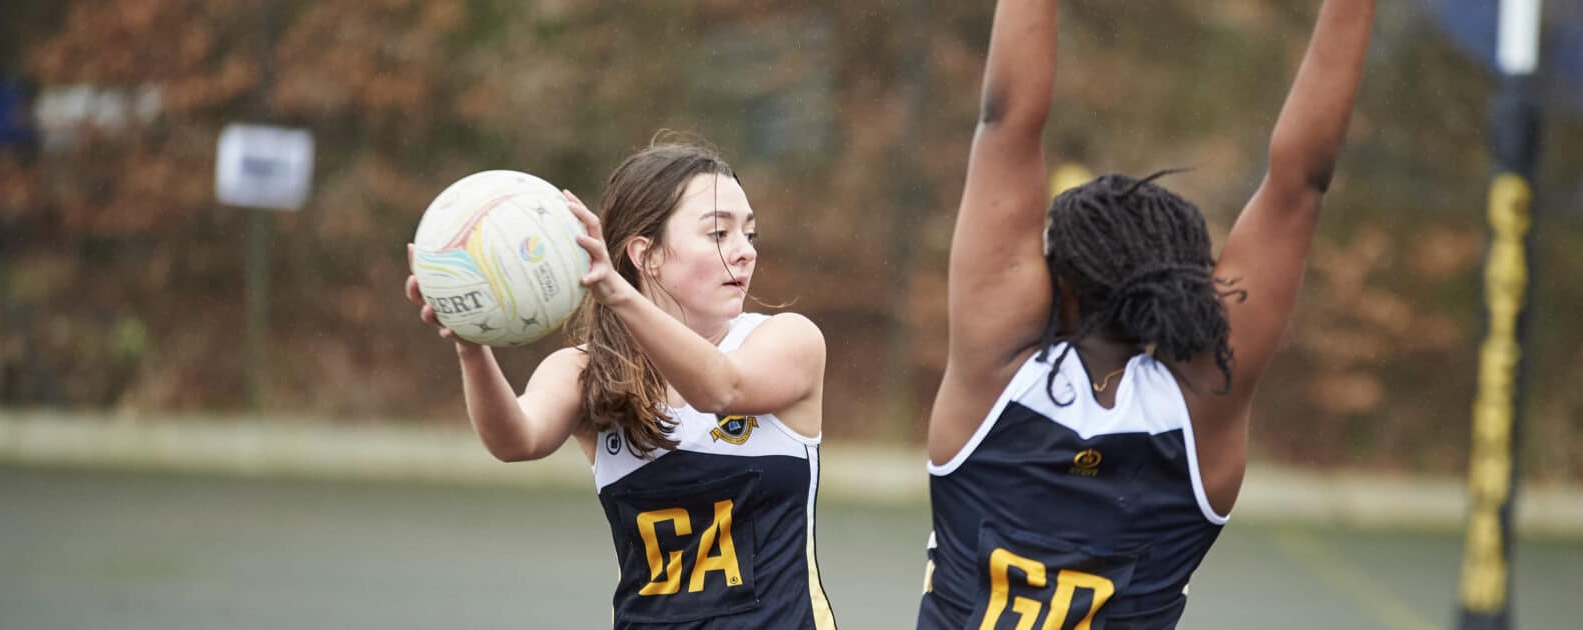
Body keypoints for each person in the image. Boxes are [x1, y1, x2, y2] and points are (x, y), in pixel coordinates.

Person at [918, 1, 1375, 628]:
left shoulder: (996, 376)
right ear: (1185, 286)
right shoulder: (1199, 414)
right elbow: (1301, 183)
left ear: (1062, 282)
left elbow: (1007, 122)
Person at [405, 139, 836, 629]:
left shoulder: (787, 340)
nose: (744, 253)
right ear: (644, 255)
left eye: (750, 234)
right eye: (719, 232)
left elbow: (722, 389)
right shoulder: (589, 371)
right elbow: (514, 441)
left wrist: (619, 295)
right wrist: (470, 343)